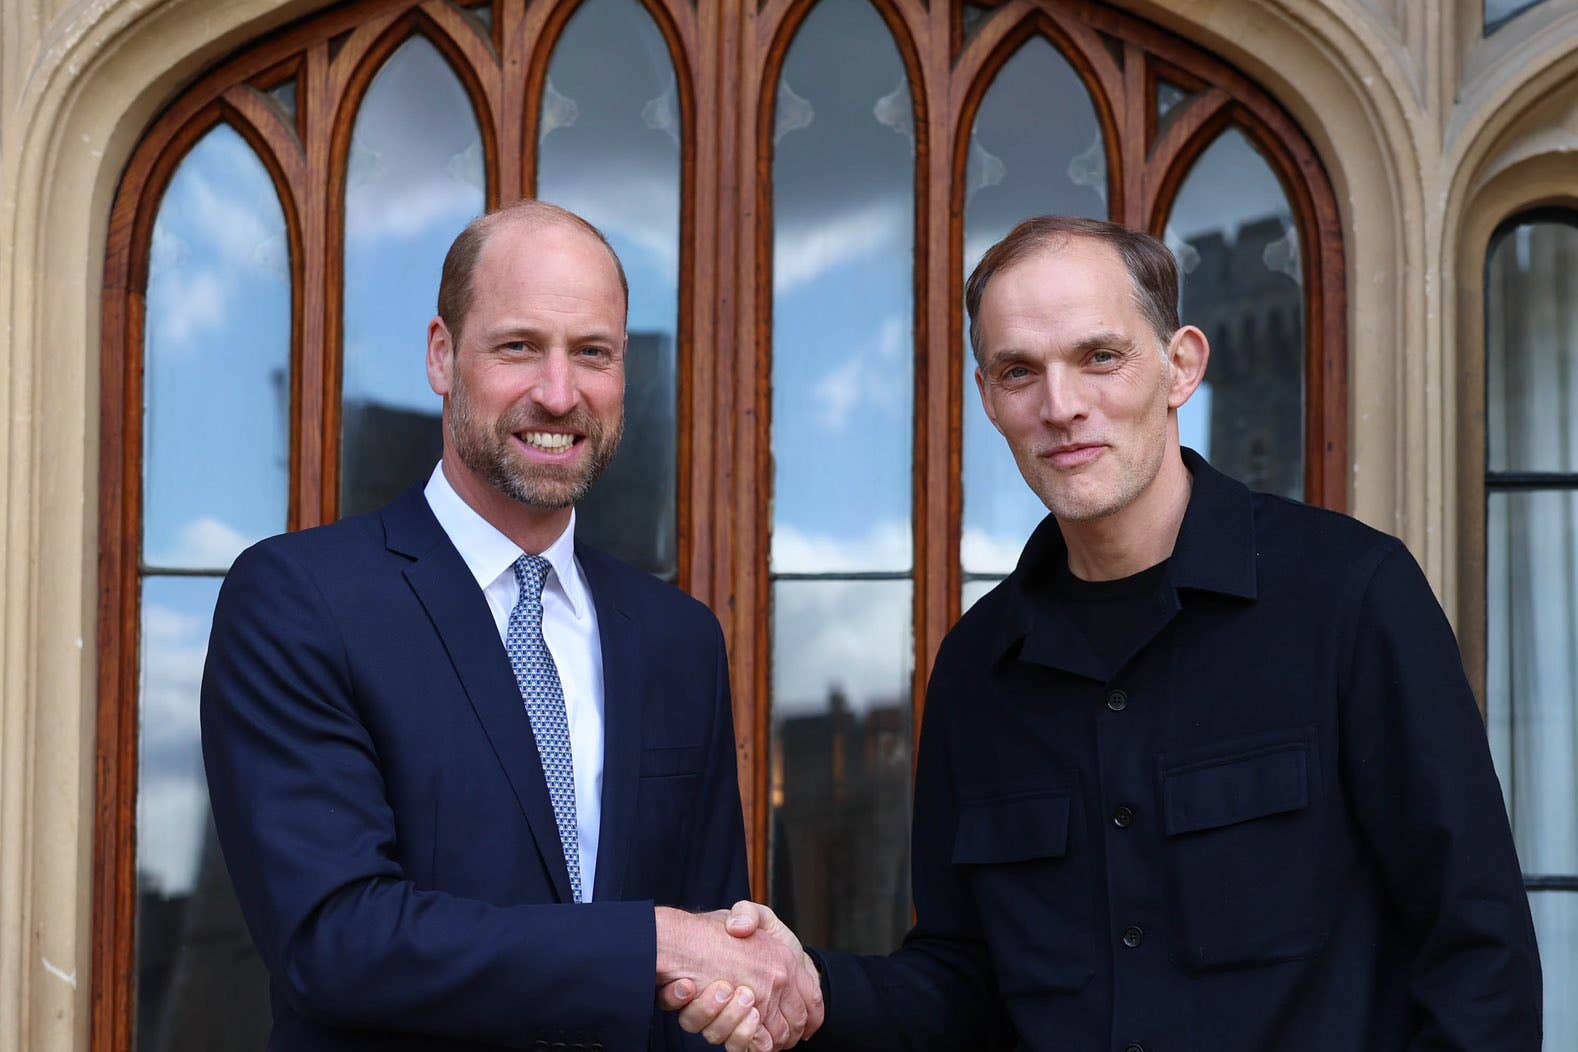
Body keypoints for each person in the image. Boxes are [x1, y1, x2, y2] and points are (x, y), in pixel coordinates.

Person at [669, 216, 1543, 1052]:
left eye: (1100, 357)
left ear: (1181, 366)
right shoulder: (978, 667)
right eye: (1020, 371)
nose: (1061, 406)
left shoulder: (1350, 596)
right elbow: (965, 988)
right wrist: (810, 988)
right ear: (988, 398)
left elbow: (1478, 953)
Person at [201, 200, 821, 1051]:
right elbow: (335, 940)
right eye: (519, 346)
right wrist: (653, 942)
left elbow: (709, 967)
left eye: (593, 353)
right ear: (442, 355)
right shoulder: (299, 600)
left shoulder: (678, 639)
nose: (559, 394)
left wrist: (731, 985)